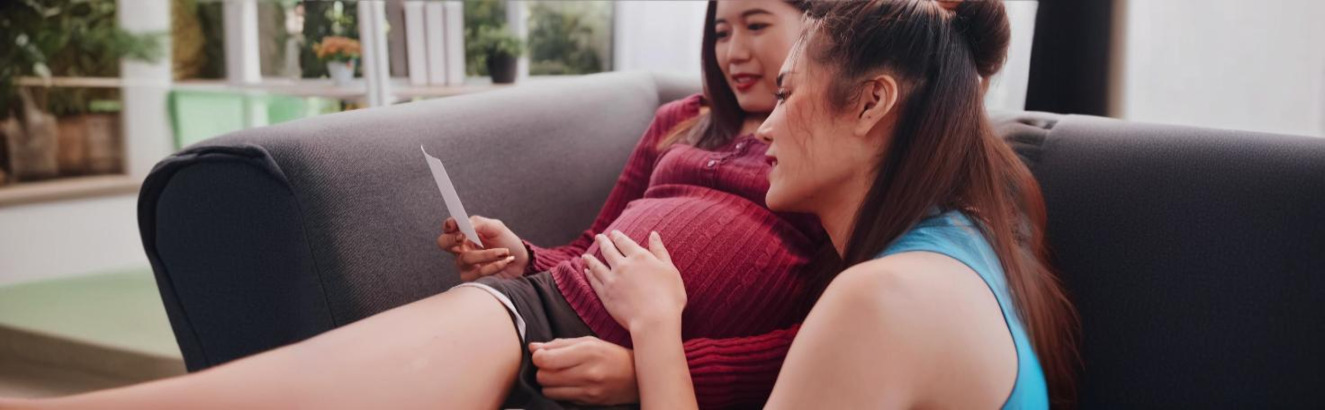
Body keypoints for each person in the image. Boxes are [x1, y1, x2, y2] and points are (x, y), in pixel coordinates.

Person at [2, 1, 824, 409]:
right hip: (550, 304)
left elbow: (822, 332)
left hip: (611, 340)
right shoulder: (681, 121)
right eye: (719, 31)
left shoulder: (828, 154)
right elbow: (593, 241)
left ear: (820, 27)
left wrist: (654, 367)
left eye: (757, 25)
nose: (735, 51)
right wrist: (524, 256)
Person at [581, 1, 1081, 409]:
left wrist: (655, 325)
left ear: (870, 104)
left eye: (787, 92)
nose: (768, 127)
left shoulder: (876, 301)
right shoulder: (968, 231)